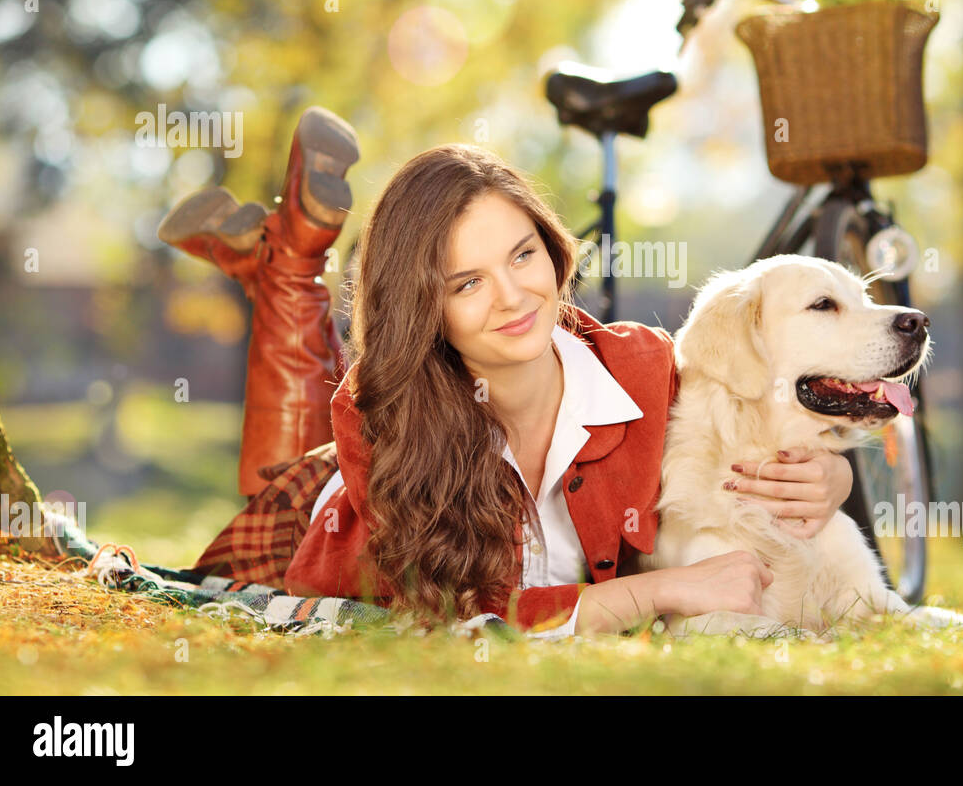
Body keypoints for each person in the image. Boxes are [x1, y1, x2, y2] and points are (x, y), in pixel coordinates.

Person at [168, 119, 855, 636]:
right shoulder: (381, 420)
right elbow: (456, 620)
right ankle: (291, 270)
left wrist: (833, 476)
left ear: (552, 248)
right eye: (467, 282)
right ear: (426, 309)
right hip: (330, 518)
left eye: (523, 255)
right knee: (280, 462)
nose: (513, 297)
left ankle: (287, 259)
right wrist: (663, 591)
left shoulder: (646, 372)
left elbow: (748, 420)